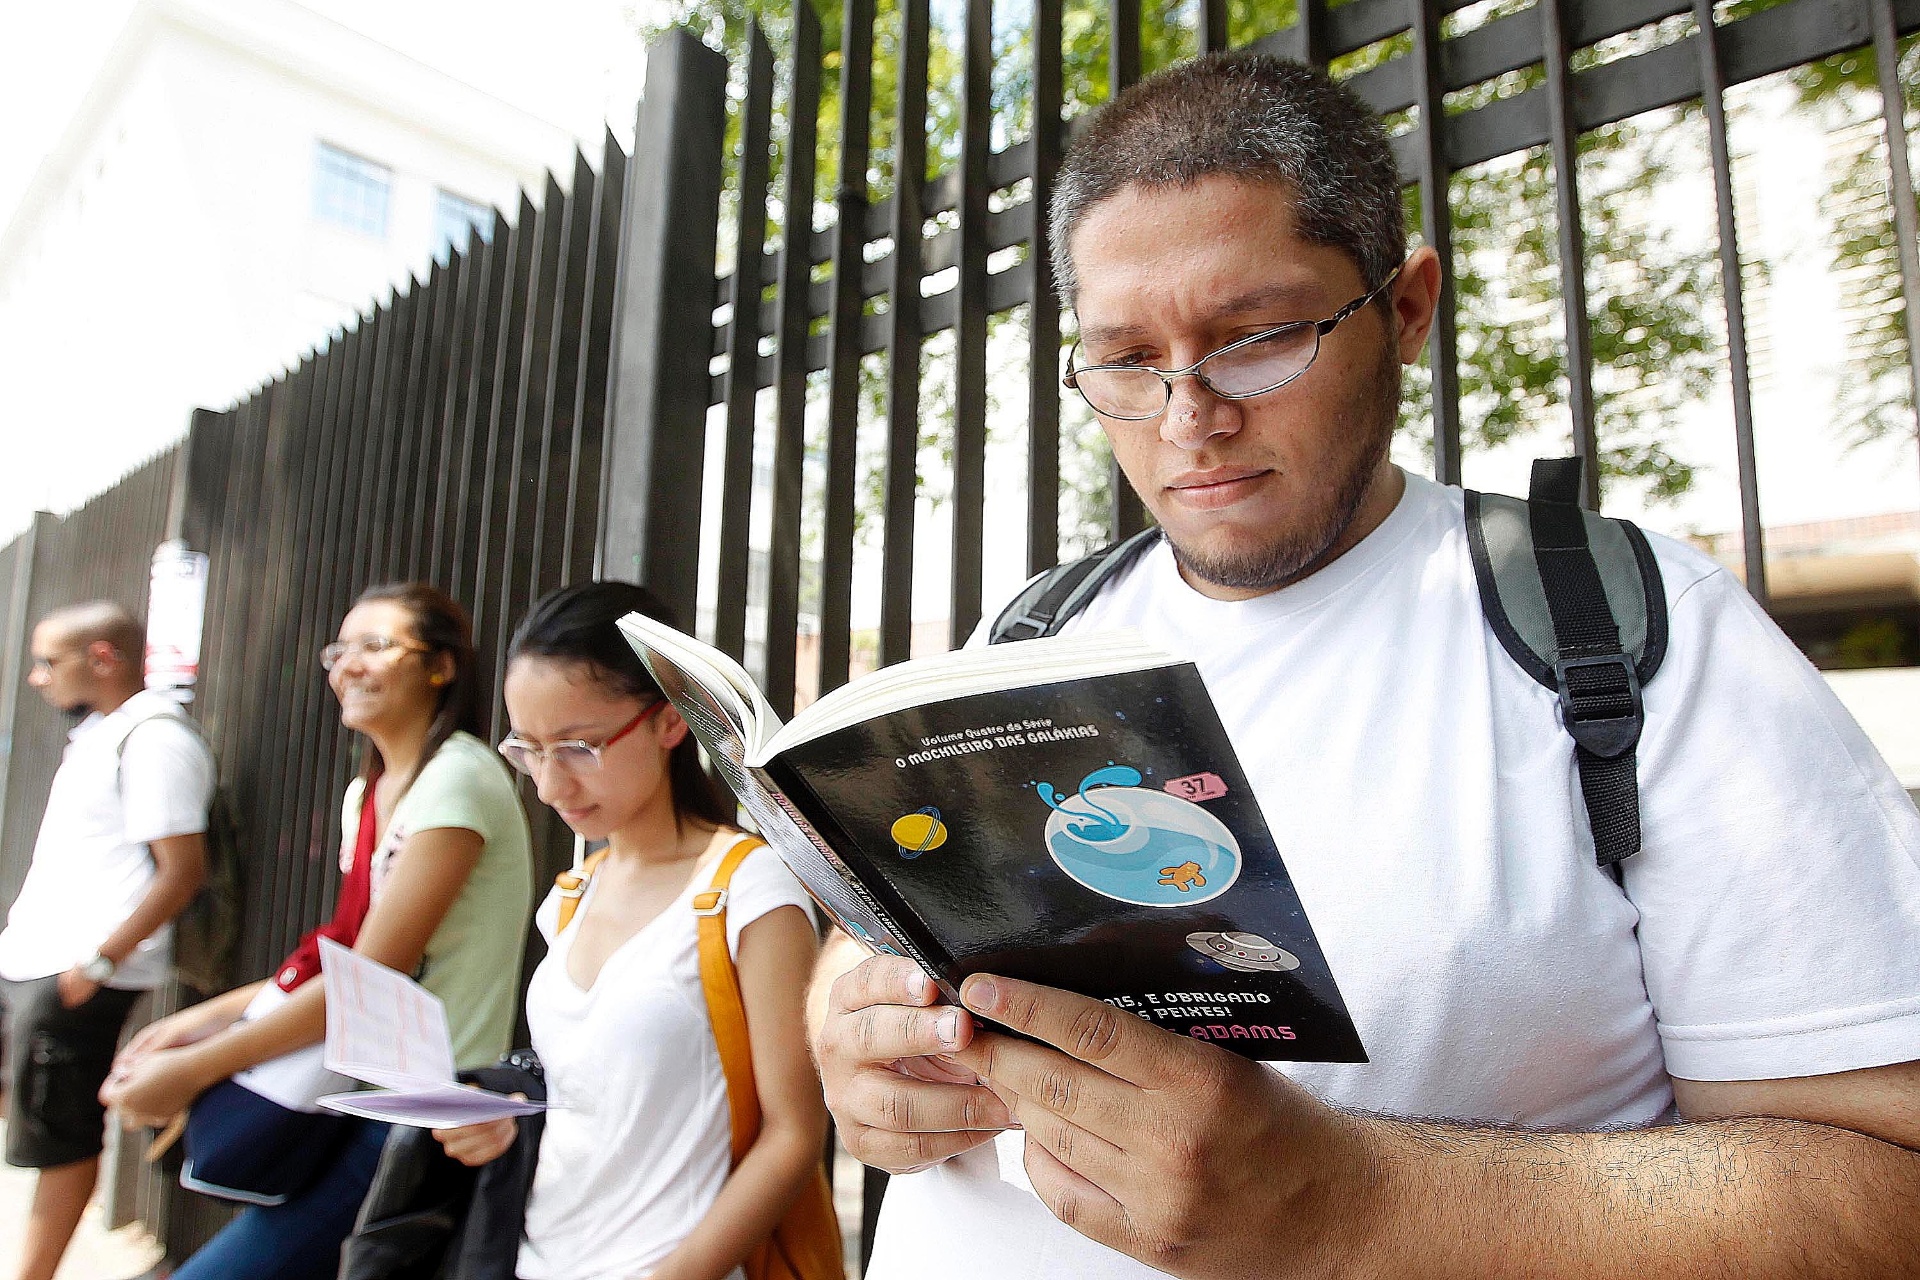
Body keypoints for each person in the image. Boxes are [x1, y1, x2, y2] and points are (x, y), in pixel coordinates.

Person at [810, 52, 1920, 1278]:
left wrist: (1351, 1202)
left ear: (1405, 306)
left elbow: (1891, 1185)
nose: (1190, 416)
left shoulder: (1626, 631)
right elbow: (878, 943)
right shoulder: (1025, 637)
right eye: (1127, 359)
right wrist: (847, 1025)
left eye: (1258, 336)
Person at [100, 582, 533, 1280]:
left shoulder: (458, 779)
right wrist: (200, 1022)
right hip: (358, 1090)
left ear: (442, 666)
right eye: (341, 649)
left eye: (376, 645)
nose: (348, 665)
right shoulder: (370, 790)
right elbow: (342, 956)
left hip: (419, 1107)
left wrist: (193, 1068)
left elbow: (367, 982)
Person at [431, 581, 827, 1280]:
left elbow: (794, 1136)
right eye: (529, 750)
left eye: (578, 747)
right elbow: (589, 1094)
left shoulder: (745, 887)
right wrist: (507, 1117)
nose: (550, 785)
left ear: (668, 720)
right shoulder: (570, 897)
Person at [0, 601, 213, 1280]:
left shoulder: (155, 740)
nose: (38, 677)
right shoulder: (104, 733)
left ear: (102, 657)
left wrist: (98, 962)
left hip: (78, 971)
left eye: (48, 661)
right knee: (33, 1120)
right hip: (32, 959)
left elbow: (183, 873)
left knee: (57, 1136)